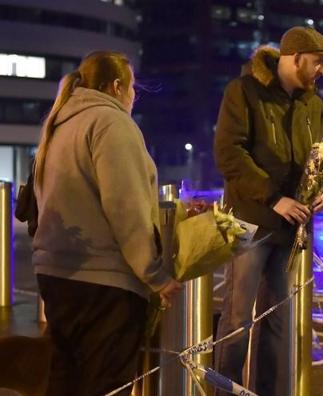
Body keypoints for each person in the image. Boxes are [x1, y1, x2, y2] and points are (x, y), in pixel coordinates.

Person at [32, 51, 181, 396]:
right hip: (103, 283)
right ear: (117, 86)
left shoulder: (61, 122)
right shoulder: (111, 123)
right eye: (133, 88)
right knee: (106, 385)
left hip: (56, 275)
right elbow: (125, 207)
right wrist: (154, 275)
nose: (133, 97)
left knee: (65, 380)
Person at [213, 27, 323, 396]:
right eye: (318, 62)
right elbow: (230, 154)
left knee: (278, 321)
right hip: (251, 221)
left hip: (292, 227)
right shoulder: (244, 91)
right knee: (237, 318)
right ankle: (224, 393)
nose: (322, 72)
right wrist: (272, 197)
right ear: (294, 57)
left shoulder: (313, 103)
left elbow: (317, 160)